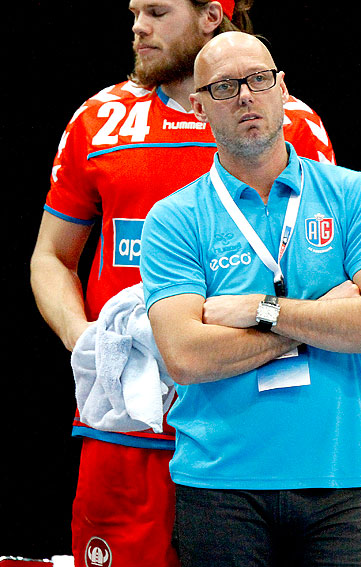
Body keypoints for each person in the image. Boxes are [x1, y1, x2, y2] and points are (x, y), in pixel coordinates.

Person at [29, 1, 335, 565]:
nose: (137, 26)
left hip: (248, 431)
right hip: (126, 434)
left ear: (210, 17)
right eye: (133, 12)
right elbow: (50, 255)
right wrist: (89, 346)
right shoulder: (99, 120)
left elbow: (324, 282)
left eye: (156, 11)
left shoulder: (288, 123)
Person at [139, 31, 361, 567]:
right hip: (218, 489)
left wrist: (258, 312)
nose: (245, 96)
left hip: (340, 482)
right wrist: (321, 318)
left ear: (282, 89)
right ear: (199, 108)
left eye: (259, 80)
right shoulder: (173, 218)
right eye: (225, 87)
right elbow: (185, 357)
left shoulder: (354, 194)